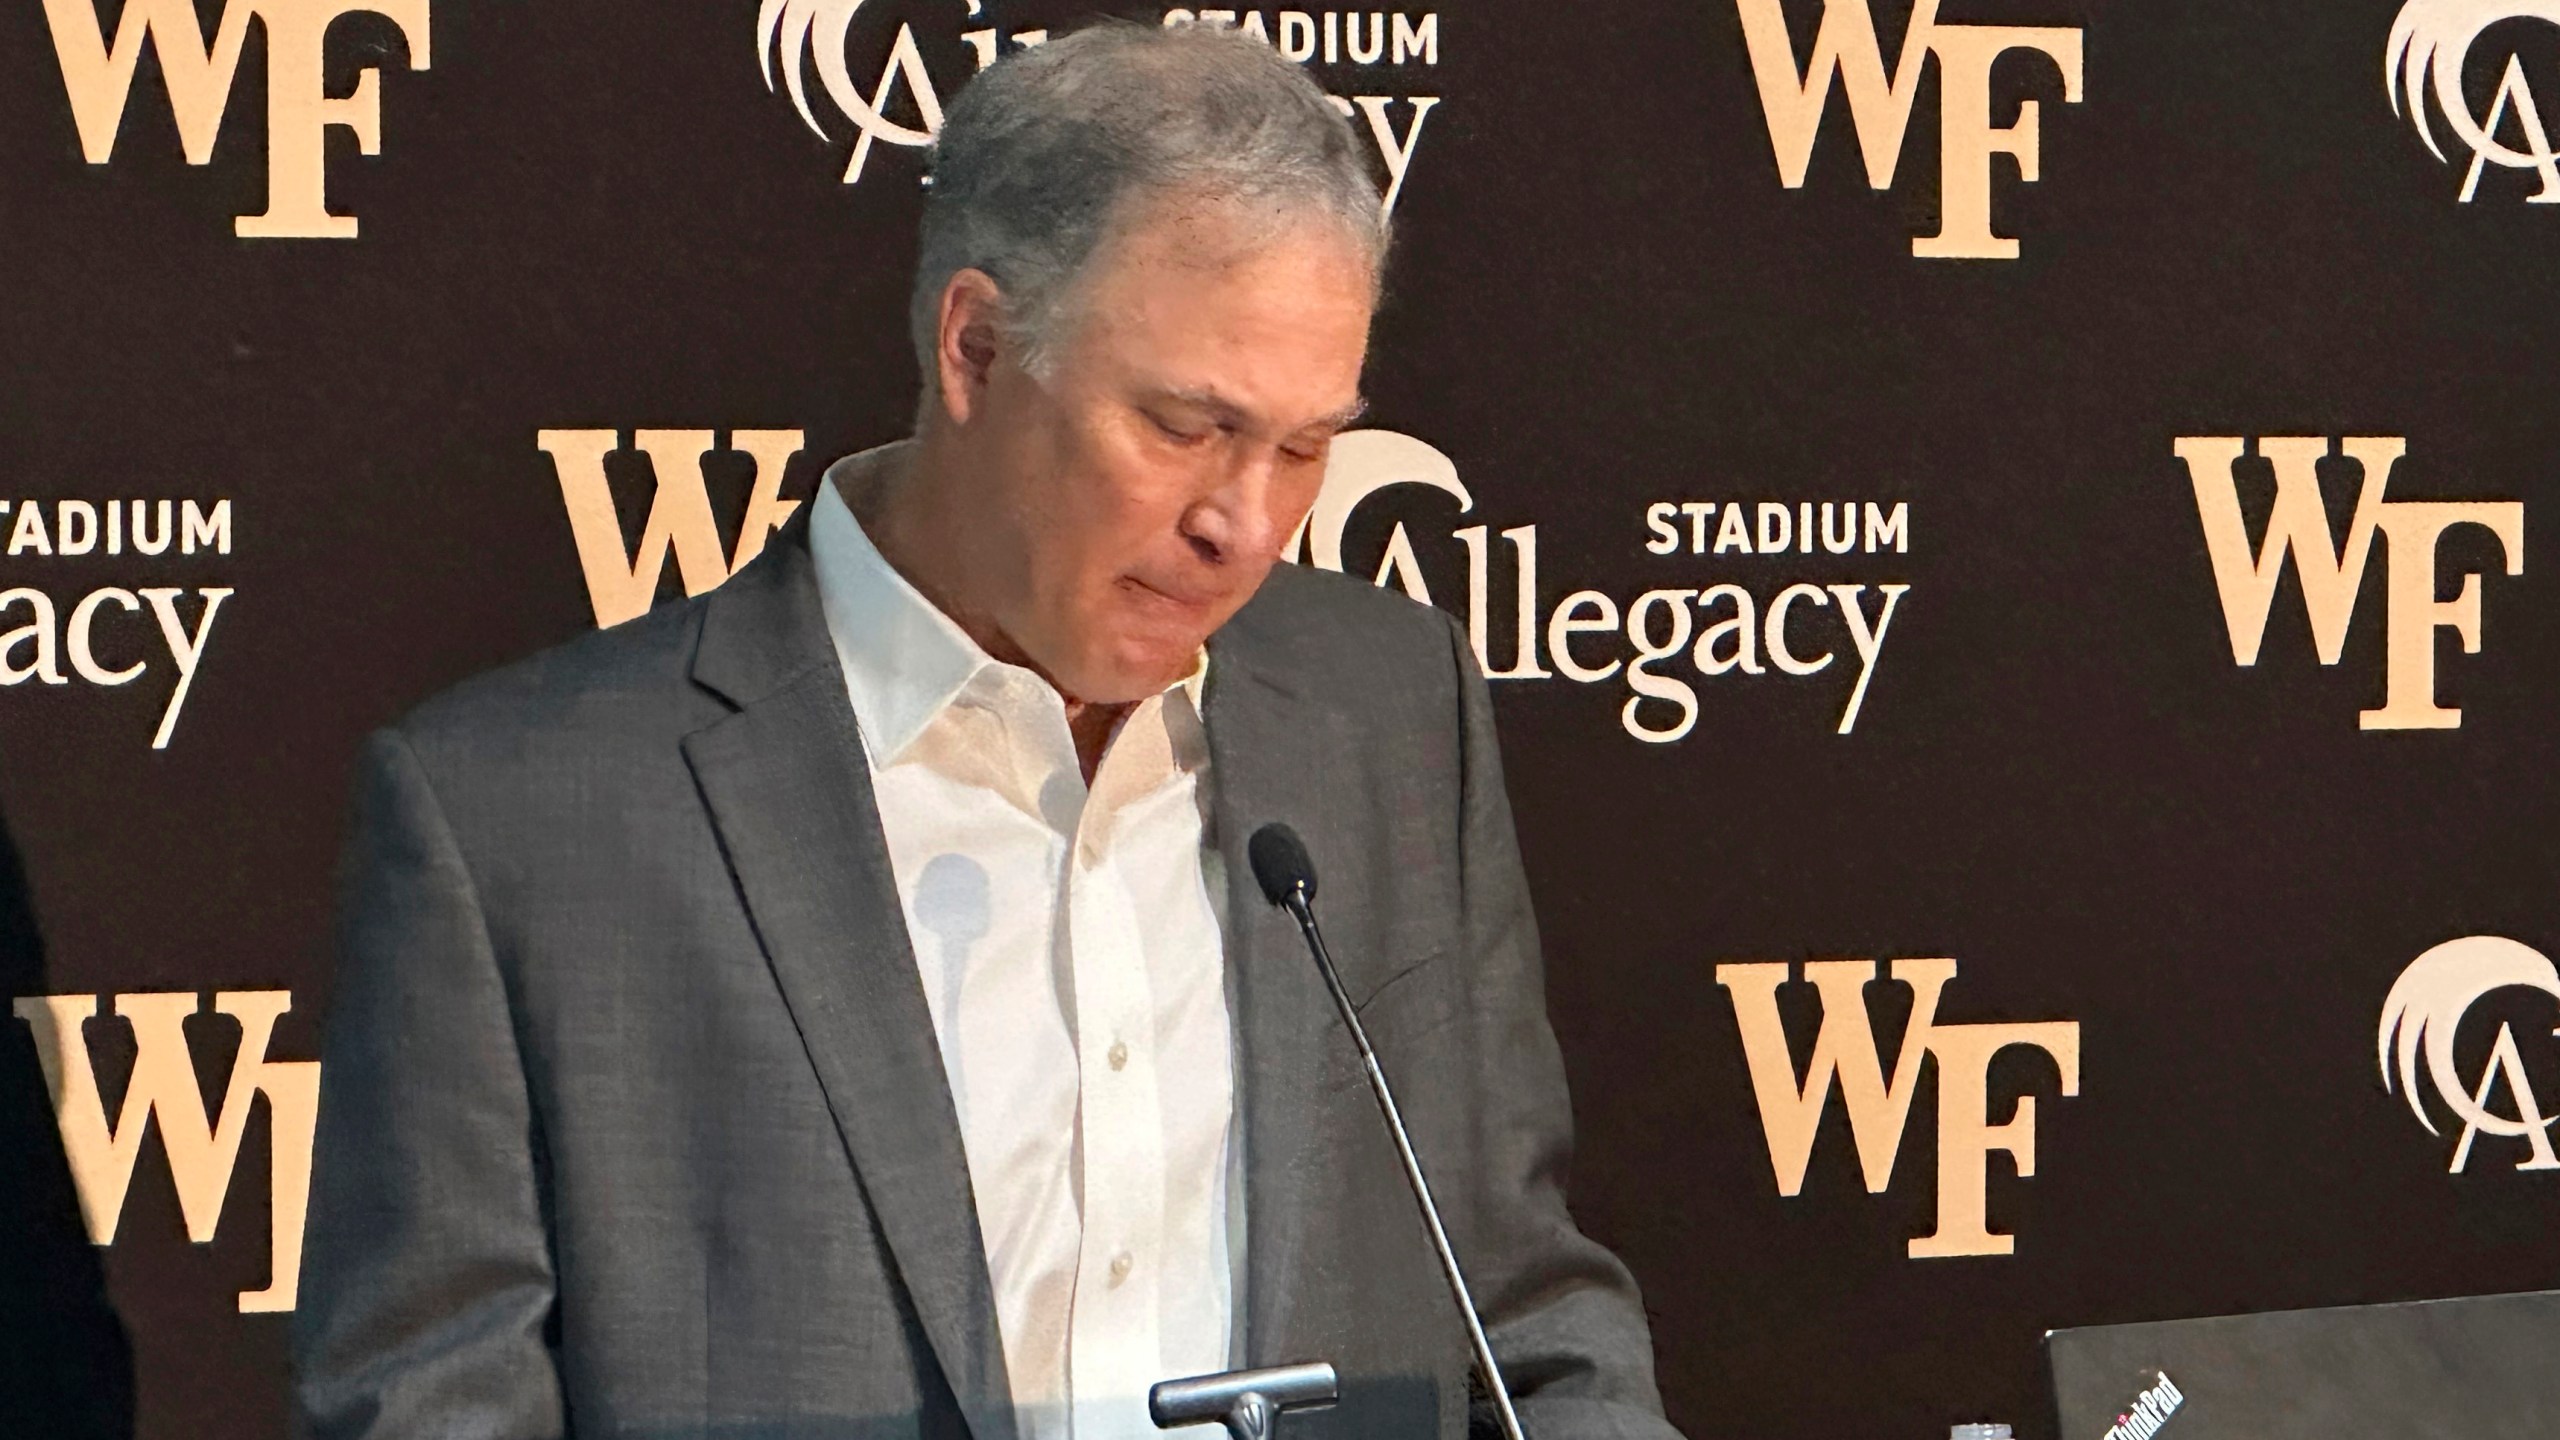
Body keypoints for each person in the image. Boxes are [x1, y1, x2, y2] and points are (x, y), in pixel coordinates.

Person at [293, 23, 1679, 1440]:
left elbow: (1519, 1306)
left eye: (1305, 446)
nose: (1245, 524)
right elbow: (433, 1409)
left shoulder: (1390, 709)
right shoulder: (524, 823)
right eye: (1188, 427)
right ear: (976, 347)